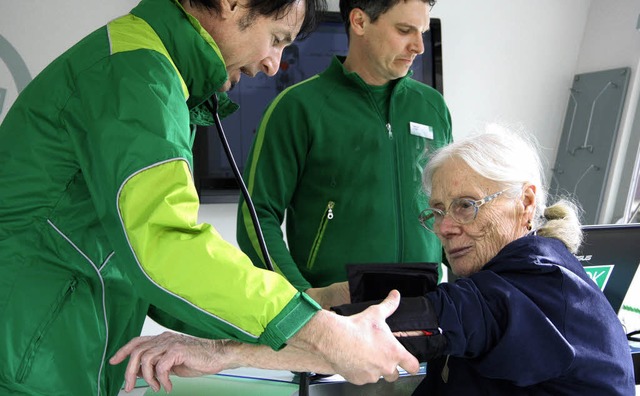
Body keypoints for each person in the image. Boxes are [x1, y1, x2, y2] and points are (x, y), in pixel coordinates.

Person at [0, 0, 420, 394]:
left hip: (49, 353)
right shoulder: (136, 73)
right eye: (276, 39)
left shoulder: (149, 68)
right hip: (29, 357)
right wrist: (318, 331)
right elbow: (167, 244)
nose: (274, 66)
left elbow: (140, 264)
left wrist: (308, 308)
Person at [110, 126, 635, 395]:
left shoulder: (530, 289)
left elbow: (381, 336)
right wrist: (320, 299)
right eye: (438, 211)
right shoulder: (521, 273)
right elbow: (415, 303)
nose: (448, 227)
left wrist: (219, 352)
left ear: (525, 202)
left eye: (467, 206)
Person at [236, 0, 452, 309]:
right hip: (335, 320)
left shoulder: (432, 108)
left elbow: (452, 212)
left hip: (422, 314)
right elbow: (255, 216)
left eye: (422, 32)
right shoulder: (298, 108)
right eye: (405, 30)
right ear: (360, 22)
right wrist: (301, 298)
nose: (419, 46)